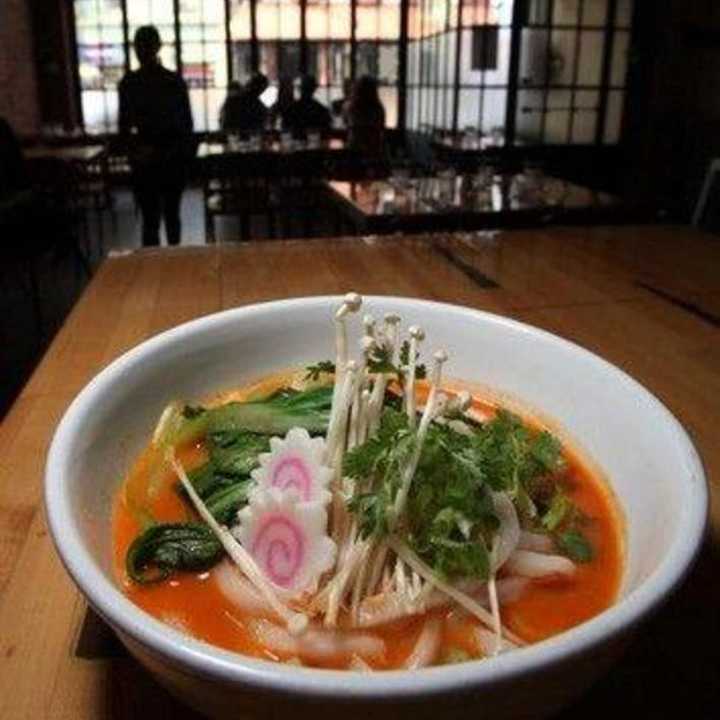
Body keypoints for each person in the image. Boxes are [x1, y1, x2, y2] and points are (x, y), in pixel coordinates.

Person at [118, 25, 195, 247]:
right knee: (172, 216)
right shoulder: (174, 81)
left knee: (150, 220)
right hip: (172, 157)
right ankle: (174, 265)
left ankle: (152, 270)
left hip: (145, 158)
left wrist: (135, 152)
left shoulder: (129, 83)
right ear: (159, 47)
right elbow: (186, 125)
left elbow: (124, 128)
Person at [344, 75, 386, 159]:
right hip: (374, 146)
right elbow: (381, 126)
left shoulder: (350, 107)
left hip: (355, 145)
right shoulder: (378, 108)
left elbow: (346, 123)